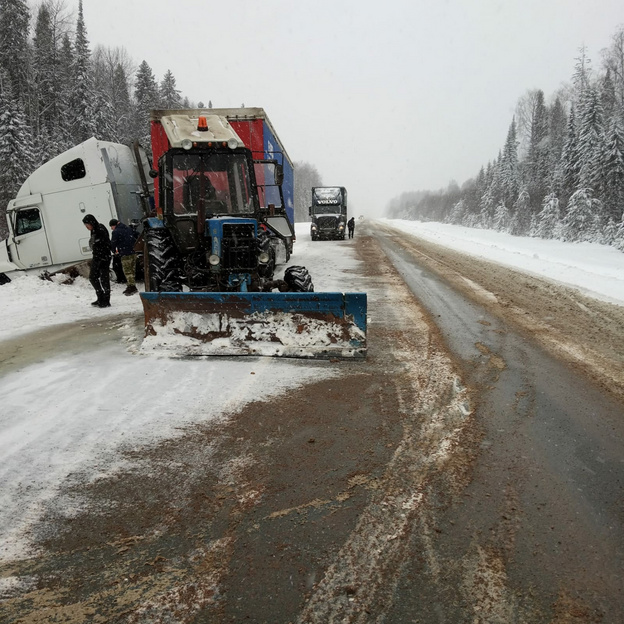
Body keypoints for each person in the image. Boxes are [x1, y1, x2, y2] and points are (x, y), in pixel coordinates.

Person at [82, 214, 111, 307]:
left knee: (104, 278)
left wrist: (101, 254)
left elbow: (104, 243)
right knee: (93, 277)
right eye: (85, 225)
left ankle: (106, 299)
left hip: (103, 257)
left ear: (92, 222)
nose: (86, 227)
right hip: (97, 257)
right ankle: (100, 296)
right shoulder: (94, 230)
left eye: (87, 225)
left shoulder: (100, 229)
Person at [109, 219, 138, 295]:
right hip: (133, 252)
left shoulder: (116, 232)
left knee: (127, 271)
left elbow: (113, 243)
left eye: (111, 227)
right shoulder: (128, 228)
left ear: (114, 225)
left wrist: (113, 251)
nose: (111, 228)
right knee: (132, 270)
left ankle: (132, 287)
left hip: (125, 253)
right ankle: (130, 285)